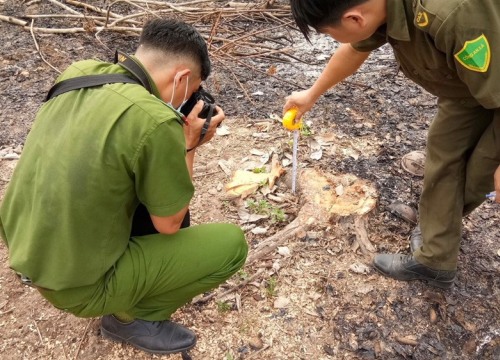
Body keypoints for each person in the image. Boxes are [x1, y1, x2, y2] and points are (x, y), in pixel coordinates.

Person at [0, 18, 248, 354]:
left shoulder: (79, 73)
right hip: (76, 287)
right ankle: (131, 319)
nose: (188, 101)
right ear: (181, 78)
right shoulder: (154, 120)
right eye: (191, 92)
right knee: (231, 244)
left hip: (28, 248)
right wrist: (187, 145)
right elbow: (172, 224)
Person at [284, 0, 500, 289]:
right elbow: (353, 49)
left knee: (480, 174)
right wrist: (312, 94)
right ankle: (434, 259)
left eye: (330, 34)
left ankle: (441, 233)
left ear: (354, 19)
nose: (333, 40)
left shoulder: (450, 13)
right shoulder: (381, 8)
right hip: (468, 89)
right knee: (445, 158)